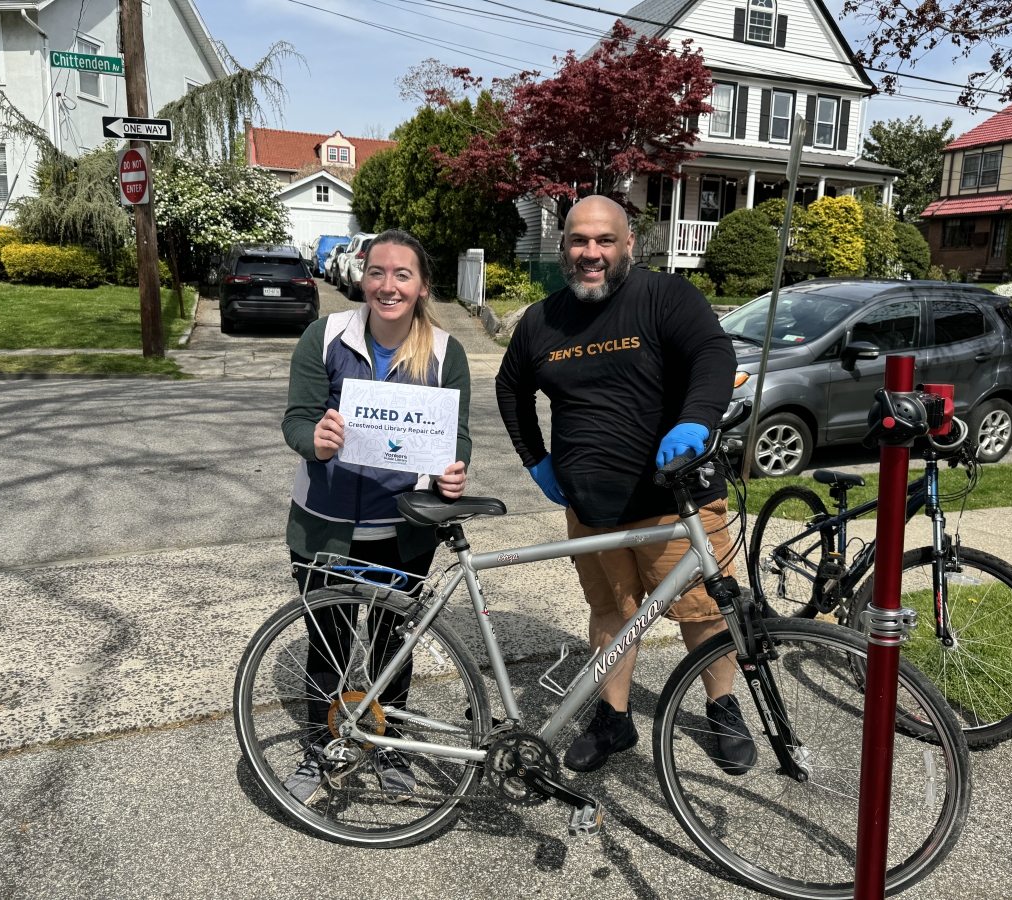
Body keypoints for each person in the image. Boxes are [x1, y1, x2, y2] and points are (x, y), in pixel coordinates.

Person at [495, 196, 756, 775]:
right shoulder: (542, 320)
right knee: (612, 613)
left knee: (702, 611)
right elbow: (510, 388)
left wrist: (695, 419)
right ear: (563, 246)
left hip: (674, 500)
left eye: (603, 240)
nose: (591, 253)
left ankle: (722, 706)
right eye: (579, 241)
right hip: (590, 509)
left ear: (629, 243)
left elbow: (713, 354)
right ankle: (615, 719)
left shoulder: (667, 298)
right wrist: (536, 459)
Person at [280, 229, 471, 802]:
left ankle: (392, 745)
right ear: (361, 278)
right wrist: (313, 438)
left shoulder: (445, 351)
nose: (388, 285)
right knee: (330, 647)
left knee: (393, 646)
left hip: (404, 531)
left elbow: (456, 437)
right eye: (377, 272)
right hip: (325, 526)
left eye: (402, 275)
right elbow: (295, 419)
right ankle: (323, 748)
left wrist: (453, 473)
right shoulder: (324, 336)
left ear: (422, 286)